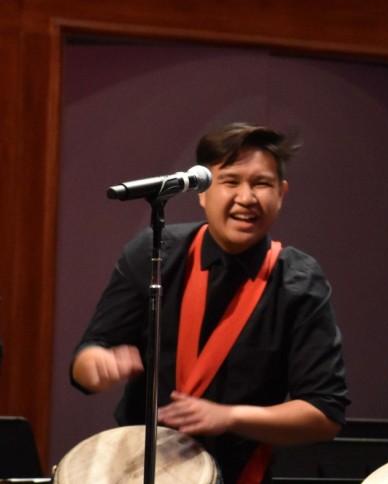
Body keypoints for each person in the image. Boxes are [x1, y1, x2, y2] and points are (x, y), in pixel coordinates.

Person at [71, 123, 349, 484]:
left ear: (281, 193)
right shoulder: (154, 253)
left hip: (239, 475)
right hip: (139, 470)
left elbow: (325, 413)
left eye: (261, 184)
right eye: (231, 181)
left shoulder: (299, 281)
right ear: (201, 191)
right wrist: (96, 366)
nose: (246, 197)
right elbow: (87, 357)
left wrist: (230, 417)